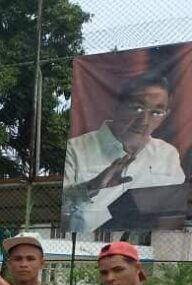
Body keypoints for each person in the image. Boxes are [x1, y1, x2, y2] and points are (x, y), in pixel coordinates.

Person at [63, 73, 186, 233]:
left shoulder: (167, 154)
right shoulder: (76, 149)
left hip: (147, 243)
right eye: (137, 108)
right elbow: (57, 207)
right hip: (89, 242)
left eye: (156, 112)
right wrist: (92, 186)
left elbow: (176, 209)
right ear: (117, 105)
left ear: (165, 116)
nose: (144, 121)